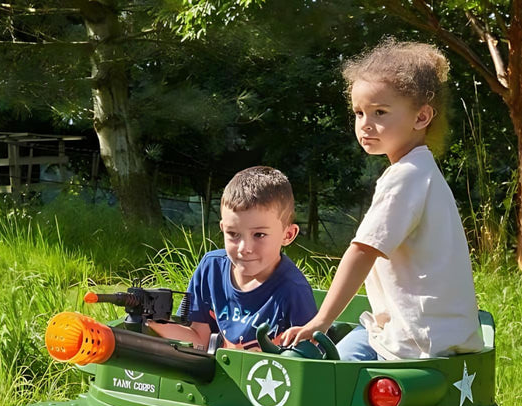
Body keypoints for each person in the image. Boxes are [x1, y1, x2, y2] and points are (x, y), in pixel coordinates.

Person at [281, 39, 483, 360]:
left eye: (380, 112)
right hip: (439, 335)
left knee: (322, 375)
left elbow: (362, 251)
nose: (365, 124)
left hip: (413, 342)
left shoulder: (405, 177)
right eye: (359, 112)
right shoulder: (421, 171)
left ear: (421, 117)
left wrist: (321, 320)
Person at [148, 166, 317, 351]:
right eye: (233, 234)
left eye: (259, 235)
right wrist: (150, 320)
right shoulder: (211, 269)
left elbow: (306, 359)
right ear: (222, 228)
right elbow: (199, 340)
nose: (245, 248)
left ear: (288, 234)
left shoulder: (293, 290)